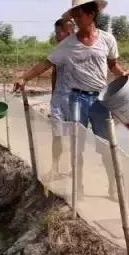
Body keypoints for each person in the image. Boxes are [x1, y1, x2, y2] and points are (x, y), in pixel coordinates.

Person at [14, 0, 129, 199]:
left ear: (91, 14)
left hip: (101, 101)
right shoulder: (67, 45)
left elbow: (112, 65)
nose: (76, 20)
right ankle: (78, 187)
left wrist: (123, 74)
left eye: (79, 15)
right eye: (74, 16)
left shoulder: (107, 39)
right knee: (76, 147)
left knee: (107, 146)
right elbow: (46, 63)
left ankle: (113, 187)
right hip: (76, 100)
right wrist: (24, 77)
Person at [48, 18, 74, 178]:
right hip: (59, 97)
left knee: (74, 136)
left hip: (74, 98)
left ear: (69, 32)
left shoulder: (78, 49)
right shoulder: (58, 50)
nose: (57, 36)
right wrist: (53, 94)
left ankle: (75, 168)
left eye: (59, 33)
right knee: (57, 134)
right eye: (56, 33)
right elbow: (54, 72)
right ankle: (55, 168)